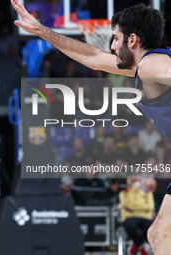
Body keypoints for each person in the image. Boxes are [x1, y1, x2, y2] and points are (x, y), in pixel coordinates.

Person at [10, 1, 171, 253]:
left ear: (132, 40)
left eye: (115, 38)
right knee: (159, 234)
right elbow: (92, 57)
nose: (112, 45)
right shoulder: (144, 67)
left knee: (161, 234)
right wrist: (42, 31)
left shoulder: (152, 65)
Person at [118, 176, 154, 255]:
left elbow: (150, 207)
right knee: (130, 226)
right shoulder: (124, 192)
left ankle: (136, 245)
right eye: (134, 181)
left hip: (145, 218)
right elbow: (127, 204)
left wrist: (133, 208)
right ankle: (141, 246)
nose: (136, 183)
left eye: (137, 180)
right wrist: (133, 190)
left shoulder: (147, 192)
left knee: (151, 226)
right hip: (129, 218)